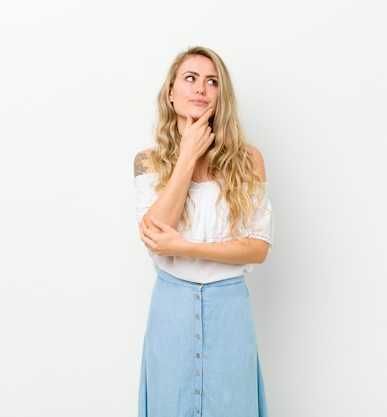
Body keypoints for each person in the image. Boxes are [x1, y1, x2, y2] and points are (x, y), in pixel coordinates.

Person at [133, 46, 274, 417]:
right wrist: (187, 156)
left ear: (220, 95)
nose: (201, 89)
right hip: (171, 308)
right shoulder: (148, 160)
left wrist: (186, 246)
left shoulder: (247, 159)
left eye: (212, 81)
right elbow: (155, 235)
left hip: (229, 306)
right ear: (171, 92)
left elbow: (258, 248)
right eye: (190, 79)